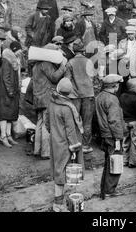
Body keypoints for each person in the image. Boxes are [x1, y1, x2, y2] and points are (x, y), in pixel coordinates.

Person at [47, 78, 83, 212]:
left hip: (54, 141)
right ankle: (58, 204)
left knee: (57, 169)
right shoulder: (67, 108)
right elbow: (70, 130)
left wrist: (54, 134)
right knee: (61, 173)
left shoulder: (51, 102)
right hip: (64, 144)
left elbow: (47, 121)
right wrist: (74, 146)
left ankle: (59, 201)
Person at [32, 45, 66, 159]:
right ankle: (46, 152)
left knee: (39, 123)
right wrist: (62, 67)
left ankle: (37, 150)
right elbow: (54, 78)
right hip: (47, 98)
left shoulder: (36, 65)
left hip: (38, 97)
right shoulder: (46, 64)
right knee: (47, 125)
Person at [96, 74, 125, 199]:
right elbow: (114, 121)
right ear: (115, 85)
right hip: (112, 135)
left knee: (108, 162)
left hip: (104, 134)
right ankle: (109, 190)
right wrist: (119, 137)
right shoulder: (112, 99)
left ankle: (104, 189)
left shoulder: (100, 96)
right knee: (115, 162)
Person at [65, 39, 95, 153]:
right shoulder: (89, 62)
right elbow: (92, 78)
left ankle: (75, 143)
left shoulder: (70, 62)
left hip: (75, 96)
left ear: (74, 50)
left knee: (75, 120)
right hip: (88, 94)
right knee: (87, 122)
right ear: (83, 51)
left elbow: (67, 80)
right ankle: (86, 146)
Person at [0, 41, 22, 148]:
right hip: (6, 92)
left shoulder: (13, 60)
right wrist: (10, 90)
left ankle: (8, 135)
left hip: (11, 91)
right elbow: (6, 77)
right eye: (19, 50)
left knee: (10, 114)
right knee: (4, 114)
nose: (20, 53)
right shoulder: (7, 61)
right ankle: (3, 136)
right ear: (15, 50)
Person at [119, 78, 136, 168]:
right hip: (135, 123)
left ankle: (124, 160)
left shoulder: (122, 96)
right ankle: (133, 162)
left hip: (124, 122)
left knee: (125, 142)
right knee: (135, 142)